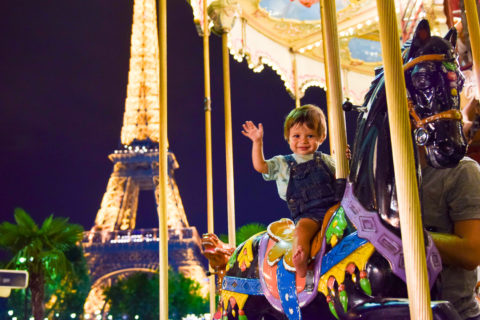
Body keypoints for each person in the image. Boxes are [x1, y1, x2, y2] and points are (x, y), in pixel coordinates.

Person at [241, 104, 337, 278]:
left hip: (336, 207)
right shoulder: (283, 163)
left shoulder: (327, 160)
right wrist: (257, 142)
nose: (303, 141)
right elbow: (260, 166)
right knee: (301, 232)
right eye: (297, 136)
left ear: (321, 137)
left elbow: (343, 177)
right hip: (310, 215)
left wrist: (347, 160)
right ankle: (301, 265)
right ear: (288, 137)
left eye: (310, 135)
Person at [420, 147, 480, 320]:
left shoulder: (461, 171)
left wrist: (400, 234)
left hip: (451, 312)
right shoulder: (381, 172)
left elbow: (471, 252)